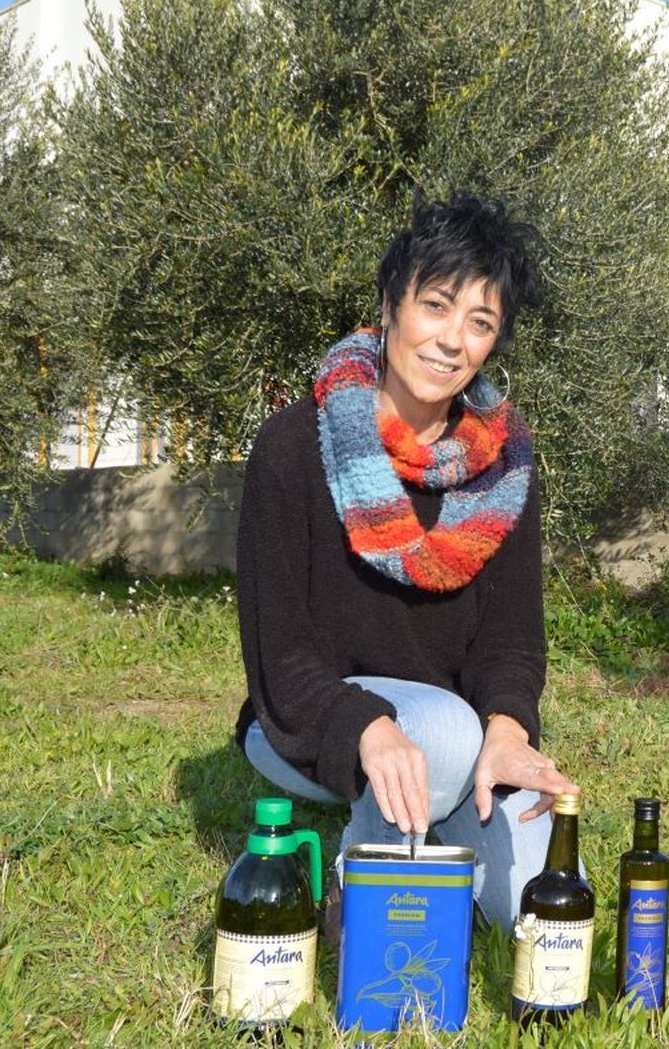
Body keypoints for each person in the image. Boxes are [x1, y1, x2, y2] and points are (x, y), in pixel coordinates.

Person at [232, 193, 577, 932]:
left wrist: (507, 729)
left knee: (541, 904)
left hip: (456, 738)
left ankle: (434, 835)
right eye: (436, 306)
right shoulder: (292, 448)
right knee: (443, 736)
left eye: (480, 323)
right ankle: (358, 902)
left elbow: (512, 642)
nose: (452, 341)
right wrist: (367, 725)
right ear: (391, 304)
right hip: (310, 723)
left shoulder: (505, 464)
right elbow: (280, 658)